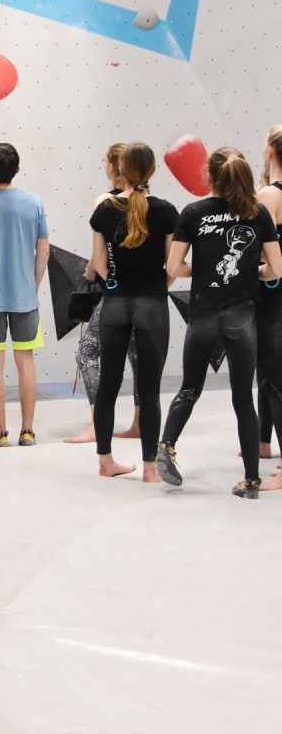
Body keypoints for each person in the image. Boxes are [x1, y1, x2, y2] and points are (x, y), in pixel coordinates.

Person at [156, 147, 282, 497]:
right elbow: (277, 268)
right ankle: (252, 481)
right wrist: (250, 272)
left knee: (189, 389)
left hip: (203, 317)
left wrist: (204, 270)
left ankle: (166, 445)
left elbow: (172, 268)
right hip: (242, 319)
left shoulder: (193, 213)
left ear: (208, 177)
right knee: (243, 399)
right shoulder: (257, 213)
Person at [89, 142, 178, 481]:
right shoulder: (167, 210)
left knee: (109, 385)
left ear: (120, 169)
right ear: (152, 170)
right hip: (152, 302)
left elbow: (98, 263)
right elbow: (172, 266)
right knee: (150, 387)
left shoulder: (105, 209)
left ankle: (106, 461)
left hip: (115, 302)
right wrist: (156, 284)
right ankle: (150, 469)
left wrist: (117, 282)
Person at [65, 143, 141, 444]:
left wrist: (100, 274)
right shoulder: (147, 201)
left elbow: (101, 252)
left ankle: (98, 423)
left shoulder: (104, 201)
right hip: (146, 293)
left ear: (114, 167)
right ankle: (139, 422)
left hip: (116, 293)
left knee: (87, 352)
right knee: (138, 357)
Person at [0, 142, 49, 447]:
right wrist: (31, 284)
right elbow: (43, 250)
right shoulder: (33, 202)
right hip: (24, 296)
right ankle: (28, 431)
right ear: (17, 170)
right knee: (26, 361)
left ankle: (0, 434)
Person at [255, 127, 282, 489]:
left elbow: (256, 251)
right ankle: (262, 442)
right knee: (268, 368)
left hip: (273, 293)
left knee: (274, 375)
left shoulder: (268, 195)